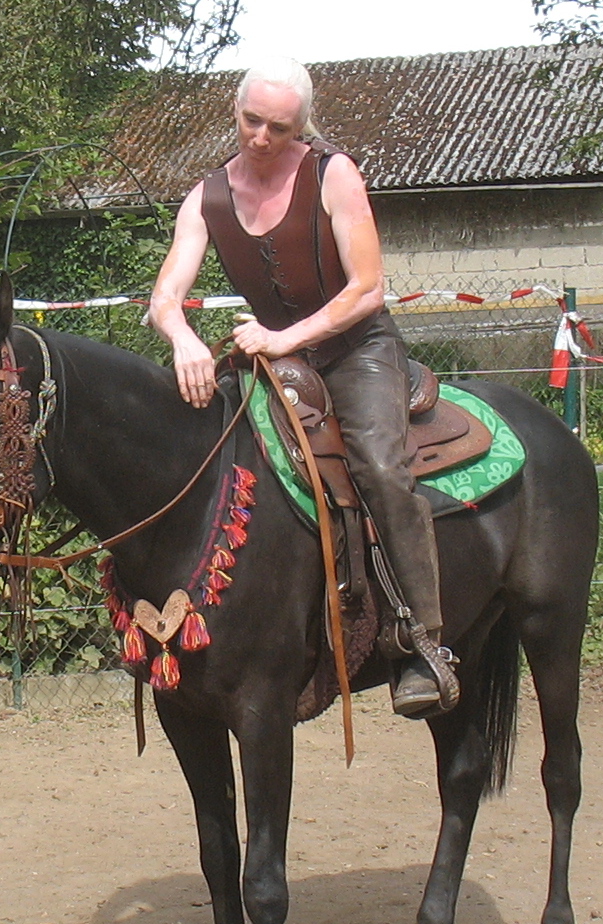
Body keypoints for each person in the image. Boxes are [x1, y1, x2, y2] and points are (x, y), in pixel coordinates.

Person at [148, 56, 454, 717]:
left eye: (279, 128)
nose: (261, 137)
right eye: (251, 120)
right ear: (236, 111)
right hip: (270, 352)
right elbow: (166, 296)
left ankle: (423, 642)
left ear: (301, 126)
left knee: (379, 466)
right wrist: (183, 339)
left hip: (356, 349)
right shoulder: (207, 197)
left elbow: (368, 288)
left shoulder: (333, 174)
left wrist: (287, 337)